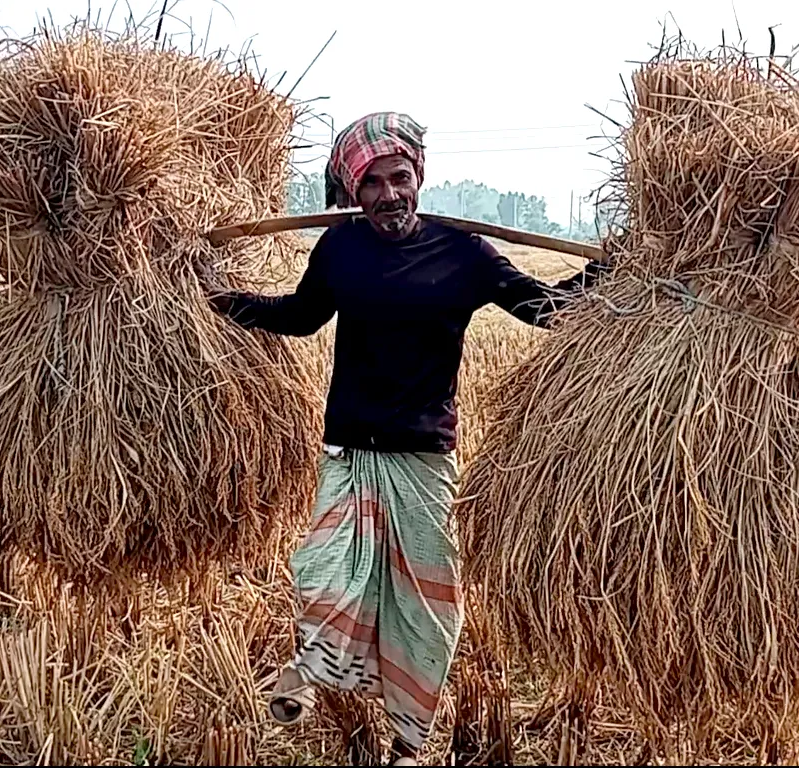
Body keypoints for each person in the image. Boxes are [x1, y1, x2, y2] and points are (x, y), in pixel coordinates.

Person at [200, 112, 605, 766]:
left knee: (426, 597)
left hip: (423, 456)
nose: (389, 193)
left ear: (419, 176)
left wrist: (609, 273)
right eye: (373, 184)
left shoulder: (464, 254)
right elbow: (302, 317)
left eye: (400, 177)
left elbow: (543, 310)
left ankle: (409, 740)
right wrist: (222, 300)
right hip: (351, 450)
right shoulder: (340, 250)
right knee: (327, 569)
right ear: (354, 193)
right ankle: (313, 668)